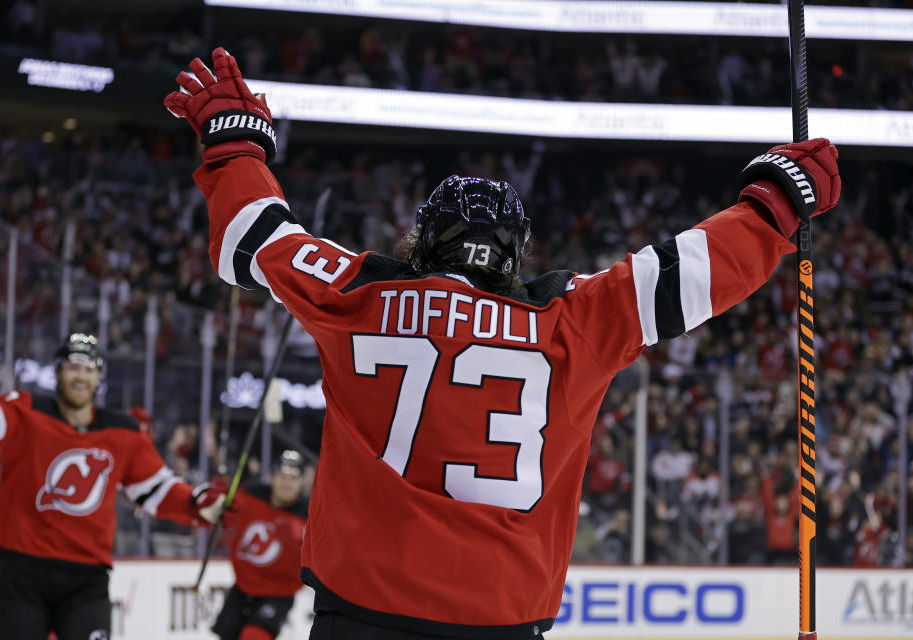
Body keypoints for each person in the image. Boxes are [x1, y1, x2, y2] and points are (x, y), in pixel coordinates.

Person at [164, 48, 840, 639]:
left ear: (425, 240)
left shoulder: (359, 294)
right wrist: (775, 203)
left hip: (361, 610)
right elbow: (686, 274)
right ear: (515, 254)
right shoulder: (570, 319)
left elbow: (252, 239)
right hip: (502, 615)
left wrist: (235, 147)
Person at [0, 324, 236, 640]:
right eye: (73, 367)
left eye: (89, 369)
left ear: (99, 378)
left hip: (86, 579)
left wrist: (197, 504)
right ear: (58, 372)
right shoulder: (25, 410)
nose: (80, 376)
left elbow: (157, 489)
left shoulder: (123, 432)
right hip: (24, 572)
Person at [212, 450, 308, 640]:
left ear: (301, 483)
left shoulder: (309, 517)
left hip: (278, 593)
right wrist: (220, 496)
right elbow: (224, 506)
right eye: (282, 476)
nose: (286, 483)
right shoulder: (250, 495)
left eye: (293, 478)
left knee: (254, 636)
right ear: (272, 477)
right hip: (243, 586)